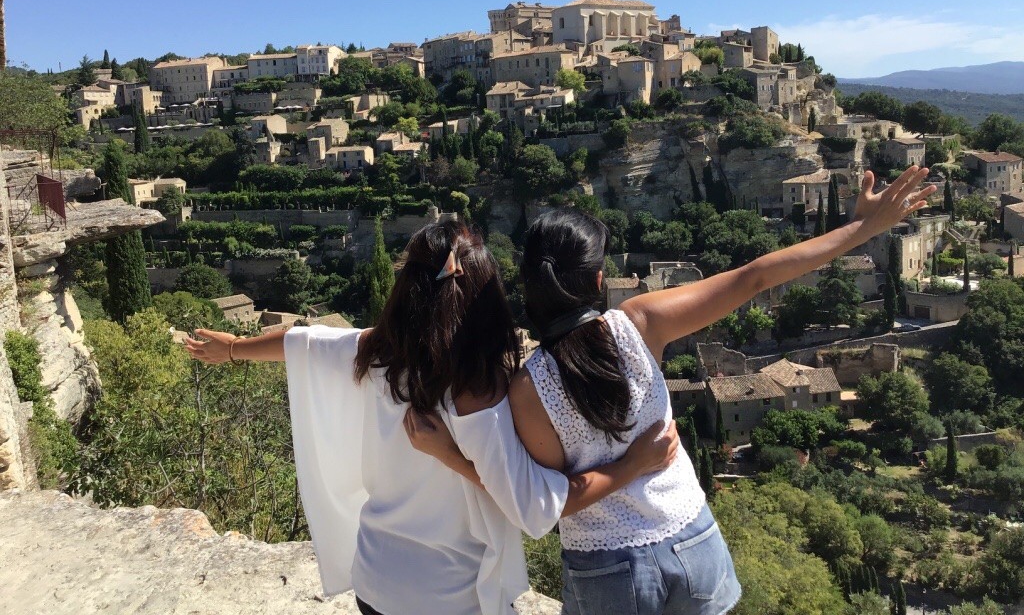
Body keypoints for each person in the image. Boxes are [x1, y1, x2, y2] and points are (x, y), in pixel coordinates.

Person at [411, 166, 936, 615]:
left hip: (605, 568)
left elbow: (541, 502)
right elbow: (754, 277)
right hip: (692, 539)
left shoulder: (528, 389)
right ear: (598, 282)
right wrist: (862, 228)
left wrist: (451, 455)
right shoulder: (638, 323)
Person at [185, 219, 680, 615]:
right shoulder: (480, 391)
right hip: (450, 596)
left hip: (375, 579)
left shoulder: (376, 352)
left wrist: (233, 349)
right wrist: (633, 464)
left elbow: (302, 342)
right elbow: (525, 500)